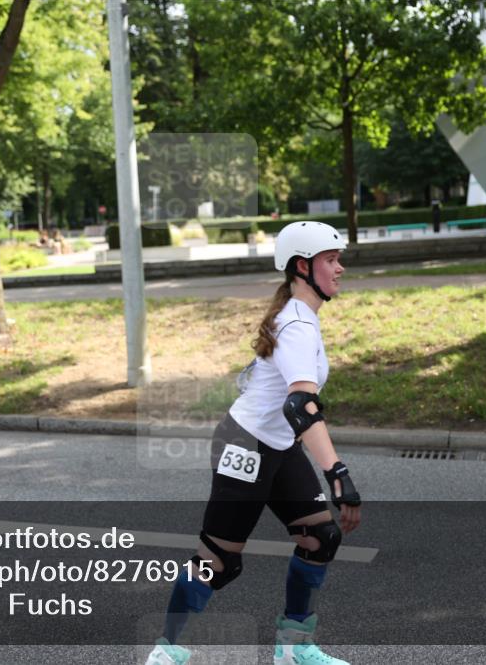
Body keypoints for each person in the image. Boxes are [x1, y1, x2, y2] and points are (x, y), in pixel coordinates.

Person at [144, 221, 362, 665]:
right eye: (331, 260)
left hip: (279, 446)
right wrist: (337, 473)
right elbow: (301, 406)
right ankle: (166, 650)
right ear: (303, 267)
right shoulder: (297, 326)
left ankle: (293, 649)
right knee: (219, 559)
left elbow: (295, 410)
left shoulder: (301, 319)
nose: (340, 269)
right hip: (244, 445)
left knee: (319, 537)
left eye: (339, 260)